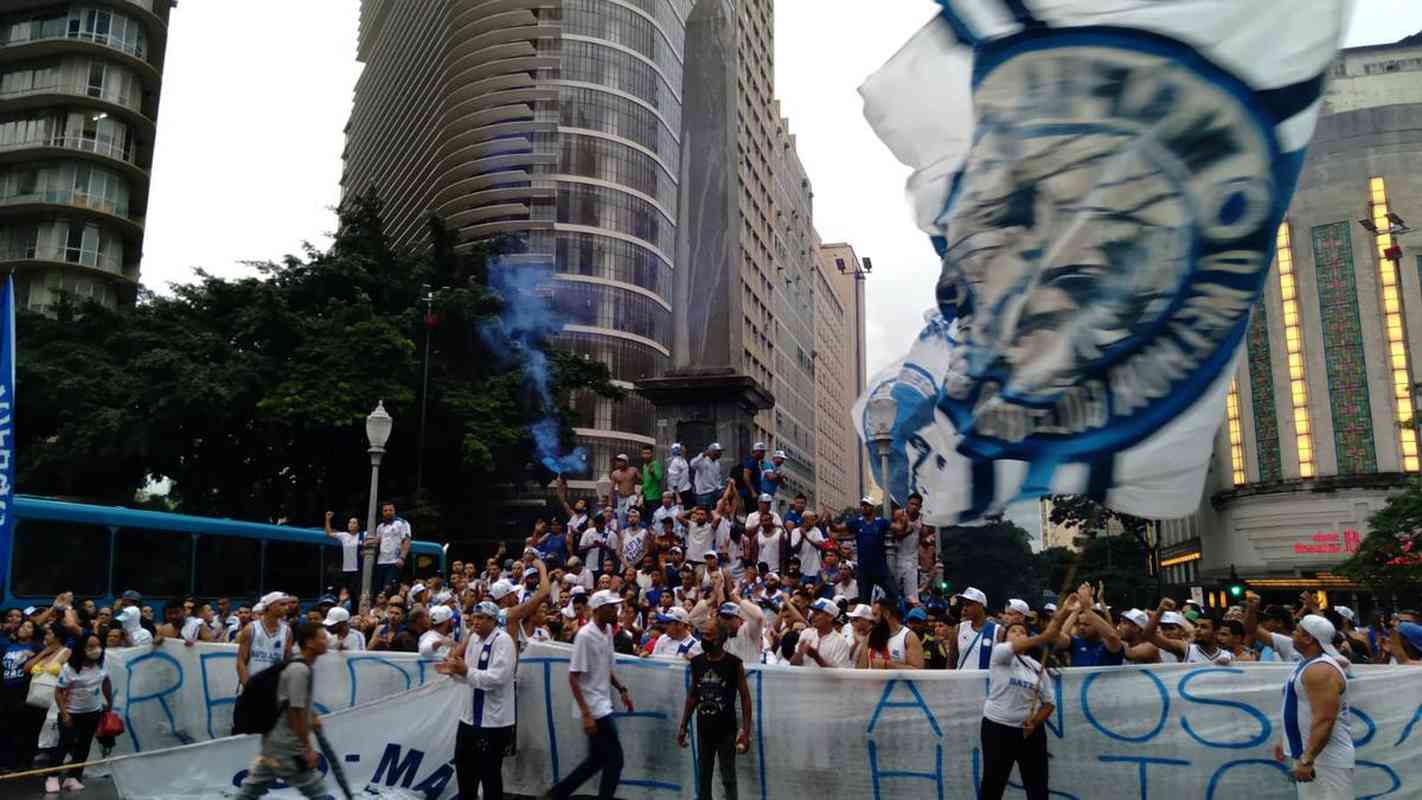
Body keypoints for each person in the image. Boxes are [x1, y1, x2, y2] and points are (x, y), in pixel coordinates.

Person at [543, 590, 635, 800]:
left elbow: (604, 666)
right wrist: (586, 713)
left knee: (596, 760)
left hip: (603, 701)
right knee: (615, 760)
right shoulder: (585, 636)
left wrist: (621, 689)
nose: (616, 610)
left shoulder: (608, 631)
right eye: (611, 607)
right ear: (599, 609)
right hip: (594, 706)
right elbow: (573, 677)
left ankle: (556, 794)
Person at [980, 601, 1072, 800]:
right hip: (998, 729)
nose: (1019, 634)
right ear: (1005, 638)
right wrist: (1043, 636)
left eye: (1023, 631)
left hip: (1030, 733)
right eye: (1013, 631)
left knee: (1037, 786)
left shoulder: (1036, 667)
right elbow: (1021, 644)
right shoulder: (1000, 655)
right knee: (993, 784)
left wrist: (1035, 721)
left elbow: (1049, 703)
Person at [232, 622, 332, 800]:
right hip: (288, 748)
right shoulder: (299, 669)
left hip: (274, 744)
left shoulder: (299, 666)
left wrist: (312, 715)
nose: (327, 641)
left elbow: (294, 704)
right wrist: (307, 748)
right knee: (317, 792)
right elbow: (295, 712)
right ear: (309, 642)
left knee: (250, 791)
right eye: (322, 637)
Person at [439, 601, 516, 800]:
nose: (476, 622)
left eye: (481, 618)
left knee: (490, 777)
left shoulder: (503, 641)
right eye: (474, 617)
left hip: (493, 722)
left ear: (493, 621)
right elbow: (469, 675)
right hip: (469, 718)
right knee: (465, 774)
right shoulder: (473, 638)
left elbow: (498, 678)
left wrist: (464, 670)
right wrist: (454, 672)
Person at [1274, 614, 1354, 799]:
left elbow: (1325, 719)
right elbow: (1298, 707)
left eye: (1298, 631)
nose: (1293, 633)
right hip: (1314, 756)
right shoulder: (1306, 665)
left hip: (1325, 760)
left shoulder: (1321, 670)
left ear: (1309, 638)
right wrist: (1284, 739)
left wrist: (1307, 758)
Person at [678, 619, 753, 800]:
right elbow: (693, 696)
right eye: (703, 634)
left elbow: (745, 696)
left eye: (708, 635)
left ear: (719, 639)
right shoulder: (697, 662)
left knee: (728, 777)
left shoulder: (733, 663)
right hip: (704, 728)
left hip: (726, 729)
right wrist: (683, 725)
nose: (704, 638)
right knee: (703, 776)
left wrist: (746, 730)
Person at [46, 634, 112, 793]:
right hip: (71, 713)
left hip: (93, 712)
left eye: (98, 646)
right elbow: (58, 692)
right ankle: (52, 777)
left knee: (84, 746)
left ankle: (73, 778)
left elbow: (106, 682)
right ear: (82, 649)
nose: (95, 650)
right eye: (90, 647)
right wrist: (65, 714)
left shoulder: (102, 664)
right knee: (65, 744)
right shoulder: (69, 669)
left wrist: (110, 703)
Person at [1, 619, 41, 773]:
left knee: (21, 728)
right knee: (5, 728)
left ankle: (20, 763)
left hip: (23, 692)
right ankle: (5, 762)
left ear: (34, 632)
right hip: (6, 693)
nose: (24, 628)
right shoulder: (8, 646)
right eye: (23, 625)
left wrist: (34, 656)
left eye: (29, 626)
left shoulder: (36, 647)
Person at [1144, 600, 1233, 664]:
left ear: (1216, 632)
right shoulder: (1186, 649)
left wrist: (1228, 665)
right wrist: (1160, 610)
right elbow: (1149, 635)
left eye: (1204, 627)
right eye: (1196, 626)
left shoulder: (1229, 656)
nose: (1197, 629)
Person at [840, 498, 892, 604]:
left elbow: (899, 528)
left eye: (867, 505)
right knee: (864, 599)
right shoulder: (856, 522)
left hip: (880, 567)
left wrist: (904, 522)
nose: (864, 507)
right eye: (863, 505)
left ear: (872, 507)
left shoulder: (881, 522)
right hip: (864, 569)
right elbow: (837, 528)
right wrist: (829, 521)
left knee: (893, 593)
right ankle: (866, 619)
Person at [236, 592, 294, 688]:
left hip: (274, 689)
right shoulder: (251, 629)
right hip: (253, 686)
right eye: (282, 604)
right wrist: (248, 687)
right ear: (270, 606)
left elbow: (287, 663)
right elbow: (241, 661)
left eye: (287, 604)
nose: (286, 608)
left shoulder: (287, 631)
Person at [855, 600, 923, 669]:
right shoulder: (871, 635)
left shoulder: (909, 637)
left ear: (887, 614)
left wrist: (886, 665)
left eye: (875, 615)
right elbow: (861, 668)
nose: (872, 619)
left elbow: (917, 671)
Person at [793, 598, 852, 668]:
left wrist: (817, 657)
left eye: (817, 613)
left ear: (830, 617)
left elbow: (840, 675)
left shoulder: (841, 642)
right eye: (812, 612)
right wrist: (799, 653)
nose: (812, 616)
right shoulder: (806, 633)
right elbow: (793, 664)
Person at [948, 587, 996, 670]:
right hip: (961, 681)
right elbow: (951, 662)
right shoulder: (958, 629)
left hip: (987, 682)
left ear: (981, 605)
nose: (964, 608)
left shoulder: (997, 631)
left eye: (969, 604)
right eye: (964, 604)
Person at [373, 502, 413, 595]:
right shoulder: (380, 527)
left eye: (390, 510)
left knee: (389, 589)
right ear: (382, 512)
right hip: (380, 562)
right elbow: (377, 541)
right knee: (379, 591)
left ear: (394, 511)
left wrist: (402, 557)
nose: (388, 512)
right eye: (385, 510)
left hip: (394, 562)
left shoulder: (402, 523)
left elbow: (406, 540)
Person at [689, 443, 726, 509]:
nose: (720, 453)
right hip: (703, 494)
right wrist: (702, 455)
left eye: (720, 451)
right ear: (711, 452)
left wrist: (720, 487)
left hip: (714, 492)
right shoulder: (702, 461)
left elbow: (718, 477)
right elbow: (692, 464)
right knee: (704, 514)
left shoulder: (717, 463)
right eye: (718, 451)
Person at [609, 454, 641, 526]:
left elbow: (641, 482)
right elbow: (611, 489)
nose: (617, 463)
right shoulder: (615, 473)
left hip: (632, 498)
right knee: (621, 520)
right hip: (621, 499)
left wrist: (639, 497)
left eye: (620, 461)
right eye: (617, 461)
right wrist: (610, 502)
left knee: (633, 518)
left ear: (626, 462)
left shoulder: (634, 470)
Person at [737, 442, 768, 513]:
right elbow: (746, 476)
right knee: (751, 514)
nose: (763, 454)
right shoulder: (751, 461)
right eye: (761, 452)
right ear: (755, 451)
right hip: (749, 494)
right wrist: (752, 491)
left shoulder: (756, 462)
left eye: (763, 452)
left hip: (754, 494)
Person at [666, 443, 692, 508]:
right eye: (681, 448)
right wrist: (678, 497)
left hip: (686, 490)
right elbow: (673, 480)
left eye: (683, 448)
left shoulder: (683, 460)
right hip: (679, 493)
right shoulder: (675, 461)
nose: (683, 450)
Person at [640, 444, 664, 509]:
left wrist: (653, 473)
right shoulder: (644, 466)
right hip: (646, 497)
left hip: (655, 497)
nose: (646, 455)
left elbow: (659, 478)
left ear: (652, 454)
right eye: (644, 453)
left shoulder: (655, 464)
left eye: (648, 453)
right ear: (642, 455)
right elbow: (645, 481)